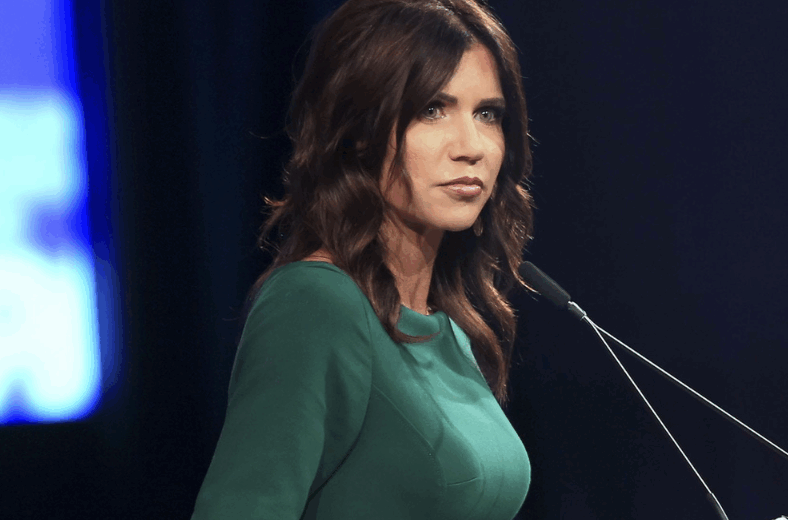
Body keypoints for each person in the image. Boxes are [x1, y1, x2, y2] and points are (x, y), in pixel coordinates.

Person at [191, 0, 535, 518]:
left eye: (488, 114)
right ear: (358, 129)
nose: (472, 146)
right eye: (431, 110)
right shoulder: (313, 304)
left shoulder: (451, 330)